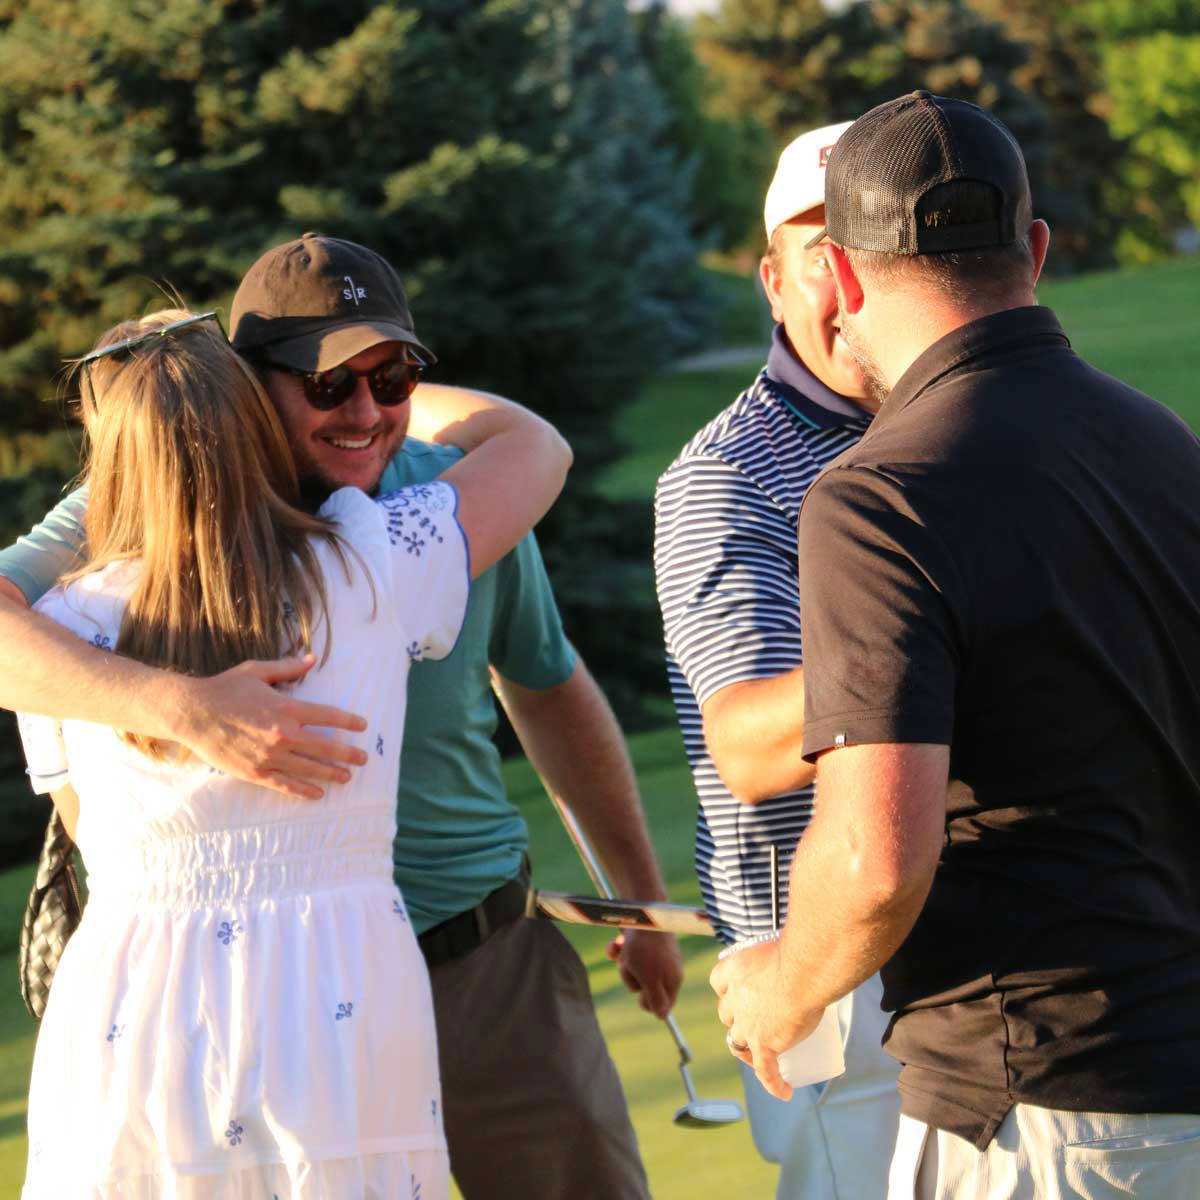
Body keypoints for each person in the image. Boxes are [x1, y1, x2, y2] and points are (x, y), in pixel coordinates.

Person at [0, 234, 680, 1199]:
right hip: (238, 1018)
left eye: (393, 375)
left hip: (471, 964)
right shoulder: (381, 557)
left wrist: (641, 900)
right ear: (247, 392)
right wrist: (183, 706)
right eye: (327, 385)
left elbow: (551, 692)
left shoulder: (415, 510)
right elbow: (536, 445)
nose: (365, 412)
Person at [711, 91, 1200, 1199]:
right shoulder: (1158, 439)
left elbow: (876, 859)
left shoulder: (881, 495)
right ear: (1032, 248)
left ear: (835, 275)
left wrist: (779, 990)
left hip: (1048, 1104)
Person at [654, 121, 899, 1199]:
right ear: (771, 279)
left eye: (867, 245)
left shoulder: (950, 431)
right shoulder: (730, 476)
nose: (845, 280)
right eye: (816, 251)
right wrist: (959, 648)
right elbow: (752, 741)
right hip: (829, 970)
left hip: (992, 938)